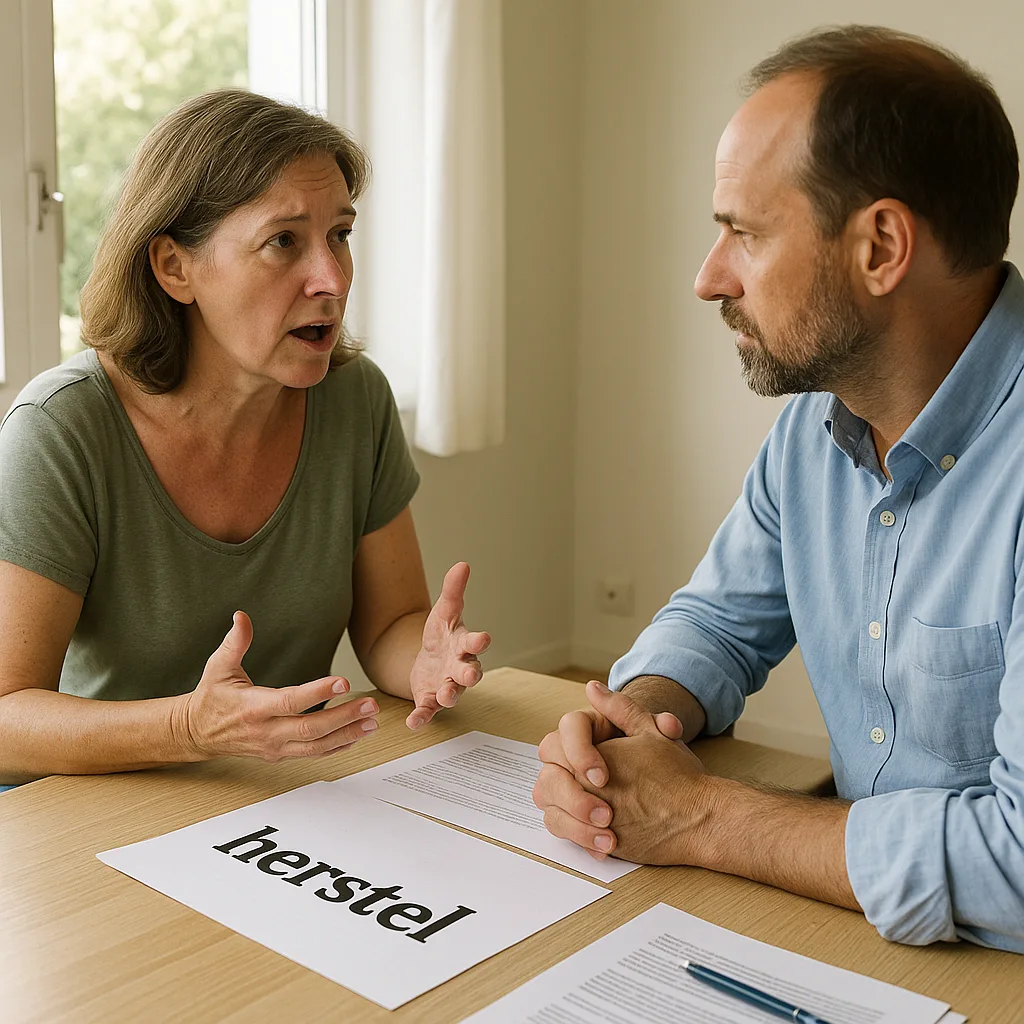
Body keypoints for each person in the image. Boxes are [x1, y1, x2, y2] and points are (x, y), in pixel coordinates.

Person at [534, 25, 1024, 953]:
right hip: (860, 938)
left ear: (882, 247)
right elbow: (715, 626)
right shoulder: (819, 421)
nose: (707, 277)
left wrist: (701, 817)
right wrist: (627, 727)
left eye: (743, 234)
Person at [0, 89, 490, 786]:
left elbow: (391, 625)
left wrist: (426, 661)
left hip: (276, 806)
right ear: (175, 268)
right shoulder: (62, 429)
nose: (330, 278)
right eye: (283, 241)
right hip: (88, 814)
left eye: (341, 235)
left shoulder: (354, 401)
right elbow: (5, 718)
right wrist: (189, 728)